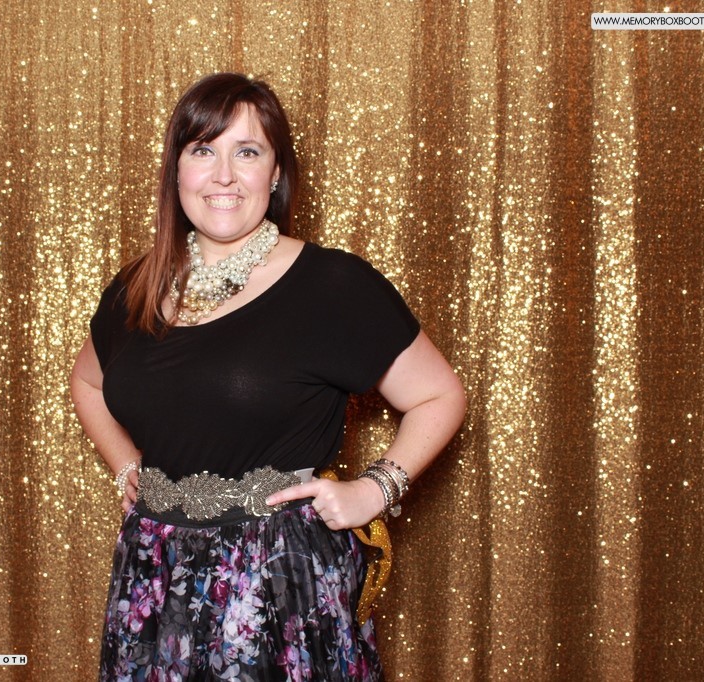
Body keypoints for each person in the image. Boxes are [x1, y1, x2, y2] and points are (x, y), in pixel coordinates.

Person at [71, 72, 466, 681]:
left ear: (276, 172)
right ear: (176, 171)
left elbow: (440, 394)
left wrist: (374, 490)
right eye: (203, 150)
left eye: (248, 152)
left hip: (281, 583)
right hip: (153, 577)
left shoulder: (333, 286)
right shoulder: (135, 287)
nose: (224, 175)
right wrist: (127, 466)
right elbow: (90, 384)